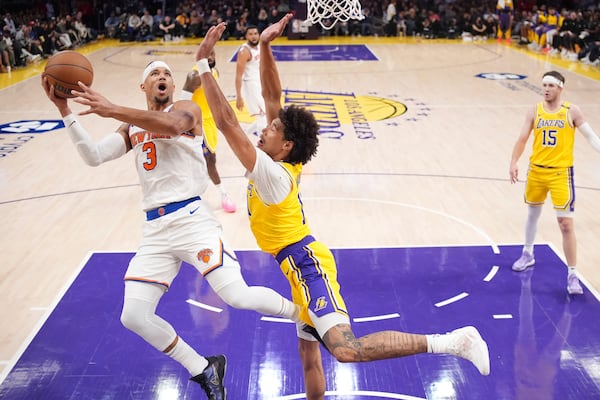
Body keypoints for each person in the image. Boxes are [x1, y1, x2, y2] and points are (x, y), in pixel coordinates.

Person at [195, 18, 491, 399]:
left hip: (306, 263)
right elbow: (272, 96)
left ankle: (453, 341)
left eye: (272, 130)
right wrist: (266, 47)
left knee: (346, 349)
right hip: (295, 264)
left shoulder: (271, 173)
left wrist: (204, 64)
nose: (264, 128)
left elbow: (225, 120)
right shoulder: (286, 157)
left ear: (284, 146)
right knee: (309, 357)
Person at [41, 59, 302, 399]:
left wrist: (112, 109)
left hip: (193, 220)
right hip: (155, 230)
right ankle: (203, 367)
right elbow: (93, 156)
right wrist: (65, 110)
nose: (162, 77)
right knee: (133, 315)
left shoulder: (186, 109)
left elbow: (176, 125)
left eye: (166, 74)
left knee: (237, 295)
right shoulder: (131, 126)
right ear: (144, 87)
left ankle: (304, 315)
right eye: (154, 74)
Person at [509, 70, 600, 295]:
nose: (546, 89)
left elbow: (591, 136)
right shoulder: (534, 111)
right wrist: (514, 161)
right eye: (544, 85)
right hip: (536, 171)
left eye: (550, 85)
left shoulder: (572, 111)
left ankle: (572, 274)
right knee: (533, 213)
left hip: (561, 174)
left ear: (560, 87)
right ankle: (528, 253)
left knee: (566, 224)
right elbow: (522, 139)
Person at [181, 49, 237, 213]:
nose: (211, 57)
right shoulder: (194, 76)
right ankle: (223, 194)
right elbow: (182, 100)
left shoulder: (214, 71)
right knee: (209, 159)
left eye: (213, 54)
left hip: (211, 121)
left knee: (207, 159)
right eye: (207, 55)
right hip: (197, 122)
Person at [235, 25, 267, 137]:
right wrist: (239, 96)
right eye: (250, 34)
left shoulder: (260, 46)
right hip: (250, 85)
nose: (253, 36)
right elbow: (238, 76)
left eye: (255, 33)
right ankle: (262, 143)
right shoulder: (244, 51)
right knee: (263, 114)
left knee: (263, 114)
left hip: (259, 82)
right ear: (246, 36)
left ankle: (243, 134)